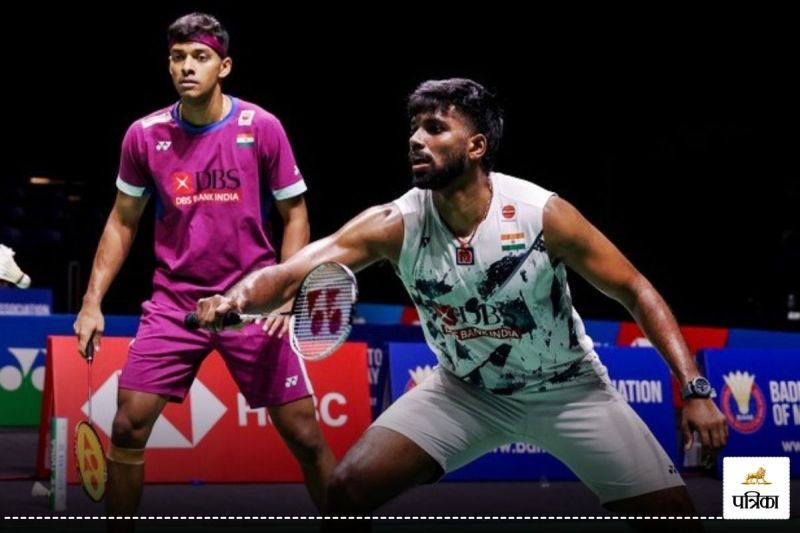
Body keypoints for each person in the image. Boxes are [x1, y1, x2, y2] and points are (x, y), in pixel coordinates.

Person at [194, 78, 728, 526]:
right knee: (347, 490)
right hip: (464, 391)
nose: (415, 139)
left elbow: (635, 288)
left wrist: (694, 388)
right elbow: (291, 273)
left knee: (674, 516)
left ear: (475, 147)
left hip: (568, 390)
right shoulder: (396, 223)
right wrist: (234, 300)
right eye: (413, 128)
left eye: (434, 128)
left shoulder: (540, 214)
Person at [73, 12, 335, 525]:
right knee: (127, 427)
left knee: (305, 435)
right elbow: (122, 220)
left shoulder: (261, 127)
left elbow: (295, 214)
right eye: (178, 57)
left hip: (251, 300)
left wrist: (284, 292)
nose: (187, 67)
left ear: (224, 66)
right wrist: (91, 301)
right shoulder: (144, 135)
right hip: (176, 303)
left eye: (200, 57)